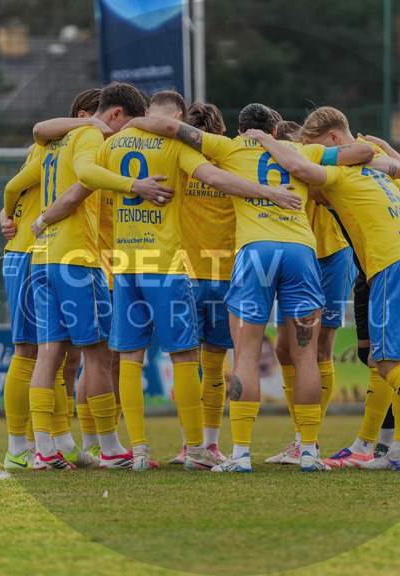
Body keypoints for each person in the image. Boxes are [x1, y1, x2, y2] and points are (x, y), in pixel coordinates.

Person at [125, 103, 374, 472]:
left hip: (255, 253)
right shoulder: (300, 151)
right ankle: (308, 451)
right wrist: (277, 146)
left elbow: (170, 128)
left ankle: (240, 454)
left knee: (245, 356)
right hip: (301, 253)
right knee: (307, 357)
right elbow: (363, 151)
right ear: (275, 130)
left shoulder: (228, 147)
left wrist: (135, 121)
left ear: (240, 130)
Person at [243, 105, 400, 473]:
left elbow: (299, 168)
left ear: (334, 140)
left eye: (319, 146)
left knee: (387, 365)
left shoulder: (338, 175)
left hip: (393, 265)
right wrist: (385, 150)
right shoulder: (379, 176)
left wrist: (263, 139)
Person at [98, 91, 303, 471]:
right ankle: (204, 445)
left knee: (132, 358)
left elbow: (85, 178)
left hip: (156, 265)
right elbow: (219, 178)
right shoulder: (221, 157)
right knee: (204, 363)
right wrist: (269, 192)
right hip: (218, 272)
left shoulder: (118, 146)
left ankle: (143, 448)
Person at [10, 82, 170, 471]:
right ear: (116, 115)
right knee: (97, 355)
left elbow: (20, 177)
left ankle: (43, 448)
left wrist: (17, 215)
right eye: (129, 125)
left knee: (49, 354)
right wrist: (136, 184)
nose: (130, 134)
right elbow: (85, 175)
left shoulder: (56, 140)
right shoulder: (91, 136)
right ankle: (109, 448)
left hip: (43, 258)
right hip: (77, 258)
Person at [0, 89, 114, 470]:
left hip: (44, 253)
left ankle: (59, 442)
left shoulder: (64, 146)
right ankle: (19, 446)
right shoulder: (53, 146)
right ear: (83, 116)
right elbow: (14, 186)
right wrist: (9, 217)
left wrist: (8, 212)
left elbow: (15, 189)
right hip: (29, 251)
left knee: (62, 355)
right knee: (29, 352)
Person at [265, 119, 358, 466]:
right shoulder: (274, 167)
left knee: (320, 348)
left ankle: (308, 440)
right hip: (298, 258)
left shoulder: (315, 164)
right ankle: (301, 438)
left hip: (332, 255)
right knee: (283, 348)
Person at [168, 102, 236, 466]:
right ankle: (209, 445)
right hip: (226, 274)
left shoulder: (178, 160)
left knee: (187, 365)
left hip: (186, 273)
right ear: (221, 133)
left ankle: (188, 445)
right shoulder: (232, 161)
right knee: (214, 366)